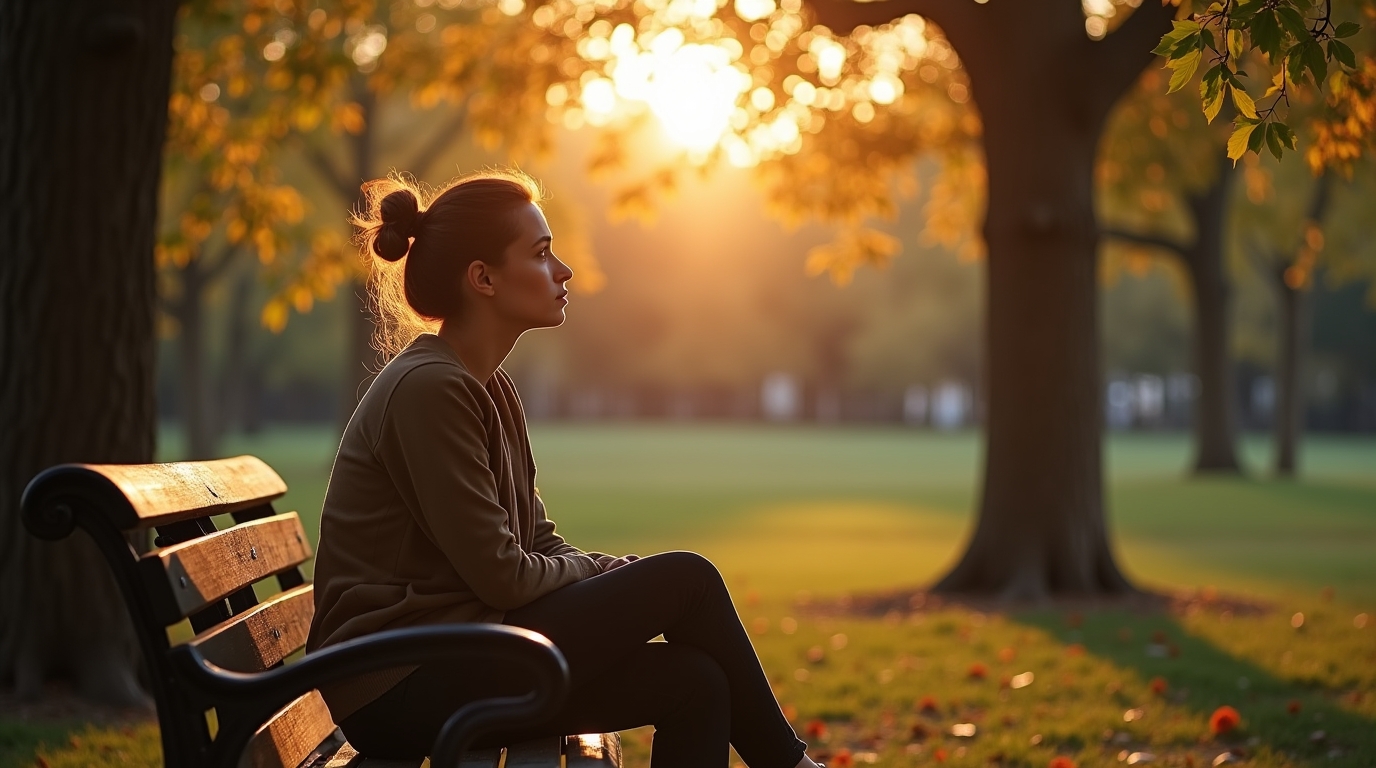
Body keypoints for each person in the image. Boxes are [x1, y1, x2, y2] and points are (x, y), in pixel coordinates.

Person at [305, 170, 821, 768]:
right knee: (689, 580)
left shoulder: (486, 386)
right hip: (401, 684)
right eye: (542, 253)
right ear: (484, 278)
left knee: (697, 682)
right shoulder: (430, 390)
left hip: (460, 652)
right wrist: (616, 578)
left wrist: (610, 572)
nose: (564, 271)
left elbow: (535, 542)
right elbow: (502, 576)